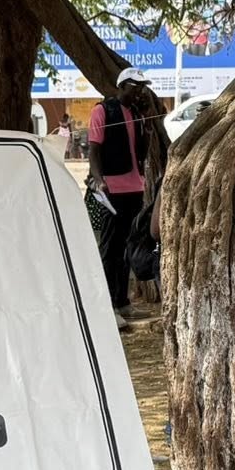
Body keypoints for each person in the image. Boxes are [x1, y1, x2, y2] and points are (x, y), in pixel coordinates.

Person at [88, 67, 159, 315]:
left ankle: (123, 302)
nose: (139, 91)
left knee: (129, 246)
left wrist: (147, 125)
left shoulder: (137, 113)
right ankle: (108, 307)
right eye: (134, 86)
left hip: (134, 187)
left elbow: (142, 151)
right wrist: (99, 180)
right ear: (121, 86)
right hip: (112, 189)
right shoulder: (103, 111)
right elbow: (94, 149)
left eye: (141, 86)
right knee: (110, 248)